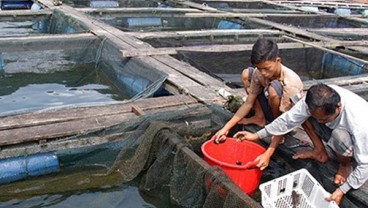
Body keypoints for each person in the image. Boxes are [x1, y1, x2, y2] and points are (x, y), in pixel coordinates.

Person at [234, 83, 368, 205]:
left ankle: (345, 164)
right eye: (317, 117)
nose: (320, 122)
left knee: (340, 137)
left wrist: (342, 190)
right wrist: (257, 135)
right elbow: (287, 120)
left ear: (338, 107)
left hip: (355, 144)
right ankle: (319, 151)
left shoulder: (359, 123)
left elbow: (365, 164)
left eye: (324, 118)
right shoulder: (315, 101)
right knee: (298, 109)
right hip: (331, 129)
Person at [214, 38, 328, 164]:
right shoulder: (260, 72)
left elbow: (287, 120)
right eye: (259, 68)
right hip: (270, 107)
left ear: (278, 60)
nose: (263, 73)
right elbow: (248, 103)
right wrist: (226, 128)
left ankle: (276, 130)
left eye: (267, 68)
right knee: (247, 74)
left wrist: (269, 152)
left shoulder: (291, 83)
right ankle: (259, 117)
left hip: (285, 117)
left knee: (274, 89)